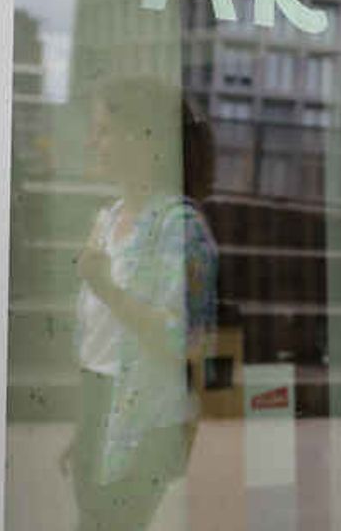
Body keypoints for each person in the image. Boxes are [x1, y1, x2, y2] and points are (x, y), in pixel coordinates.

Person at [61, 76, 219, 531]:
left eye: (104, 130)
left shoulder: (180, 229)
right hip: (101, 405)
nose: (93, 141)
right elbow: (99, 343)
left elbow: (187, 341)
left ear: (142, 139)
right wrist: (86, 429)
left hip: (144, 426)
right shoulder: (108, 218)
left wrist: (106, 288)